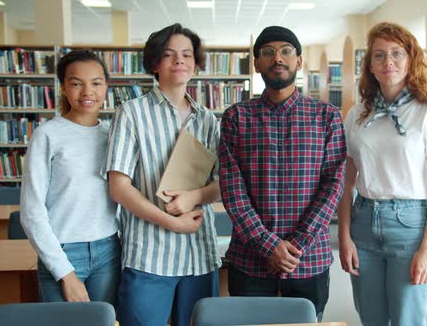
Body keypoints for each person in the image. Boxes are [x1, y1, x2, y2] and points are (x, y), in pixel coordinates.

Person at [218, 25, 346, 321]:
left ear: (298, 61)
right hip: (249, 260)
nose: (278, 58)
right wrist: (268, 245)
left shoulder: (326, 117)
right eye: (268, 52)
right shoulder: (236, 117)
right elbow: (232, 191)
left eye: (286, 51)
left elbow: (333, 185)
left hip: (308, 259)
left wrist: (296, 245)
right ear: (257, 63)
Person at [338, 22, 427, 326]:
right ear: (370, 65)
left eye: (396, 53)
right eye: (379, 55)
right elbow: (346, 179)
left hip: (411, 226)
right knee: (372, 319)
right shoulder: (358, 113)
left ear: (410, 59)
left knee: (408, 320)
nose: (388, 62)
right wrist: (344, 236)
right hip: (363, 223)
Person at [106, 23, 221, 326]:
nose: (179, 60)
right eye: (169, 55)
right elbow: (119, 188)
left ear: (195, 65)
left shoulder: (208, 119)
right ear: (155, 64)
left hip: (200, 253)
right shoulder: (131, 112)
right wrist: (172, 221)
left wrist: (195, 197)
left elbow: (224, 185)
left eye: (186, 55)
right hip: (149, 256)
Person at [20, 50, 121, 305]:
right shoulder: (48, 135)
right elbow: (32, 211)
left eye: (96, 83)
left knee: (105, 323)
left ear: (106, 86)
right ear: (64, 87)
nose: (88, 92)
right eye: (76, 83)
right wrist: (65, 273)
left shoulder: (114, 136)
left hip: (108, 250)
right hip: (63, 252)